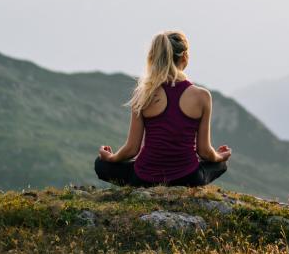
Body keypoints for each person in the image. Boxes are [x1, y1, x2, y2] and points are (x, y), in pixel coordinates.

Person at [94, 29, 231, 187]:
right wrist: (221, 156)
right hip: (189, 178)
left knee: (100, 164)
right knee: (220, 165)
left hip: (144, 179)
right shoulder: (202, 96)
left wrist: (111, 158)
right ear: (185, 57)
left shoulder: (144, 94)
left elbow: (132, 149)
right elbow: (204, 151)